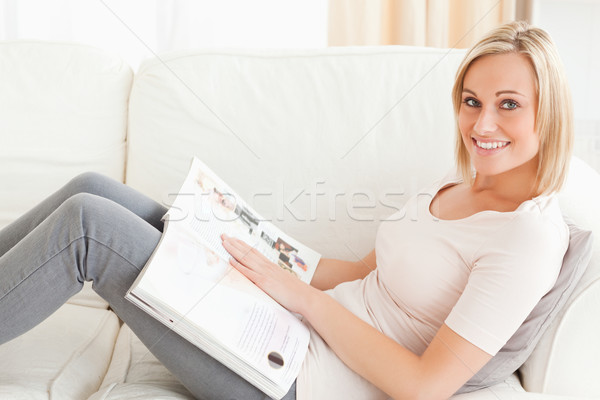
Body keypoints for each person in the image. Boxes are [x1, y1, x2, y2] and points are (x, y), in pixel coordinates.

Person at [0, 20, 573, 400]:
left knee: (90, 228)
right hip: (283, 322)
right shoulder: (465, 182)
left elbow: (423, 386)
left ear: (548, 114)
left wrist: (297, 297)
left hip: (293, 375)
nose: (483, 124)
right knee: (96, 188)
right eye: (471, 102)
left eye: (509, 105)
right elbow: (363, 275)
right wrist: (250, 240)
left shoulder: (528, 239)